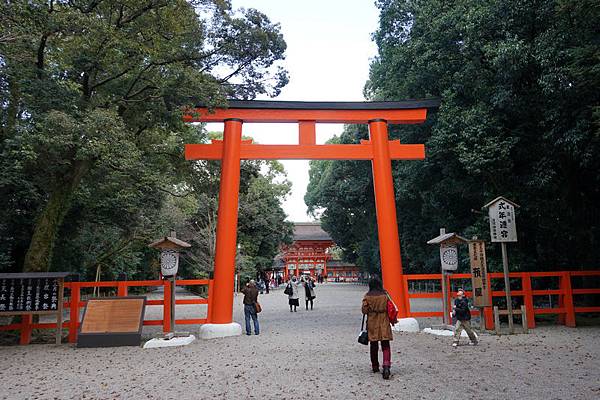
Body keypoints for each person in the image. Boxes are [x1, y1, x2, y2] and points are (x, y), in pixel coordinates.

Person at [361, 277, 393, 380]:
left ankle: (375, 366)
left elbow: (364, 311)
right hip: (384, 320)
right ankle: (386, 365)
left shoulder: (367, 296)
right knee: (385, 345)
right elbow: (390, 308)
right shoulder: (385, 295)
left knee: (373, 345)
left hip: (372, 322)